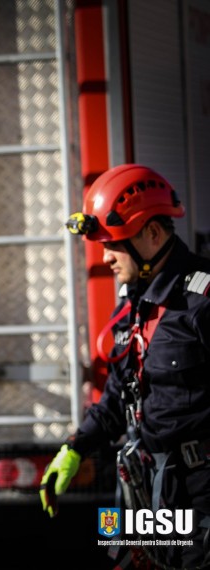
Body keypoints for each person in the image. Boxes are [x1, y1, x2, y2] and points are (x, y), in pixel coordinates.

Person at [40, 164, 210, 569]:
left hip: (201, 493)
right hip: (148, 487)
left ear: (152, 234)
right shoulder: (132, 302)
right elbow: (119, 394)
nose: (105, 257)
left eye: (112, 245)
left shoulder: (202, 300)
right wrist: (75, 448)